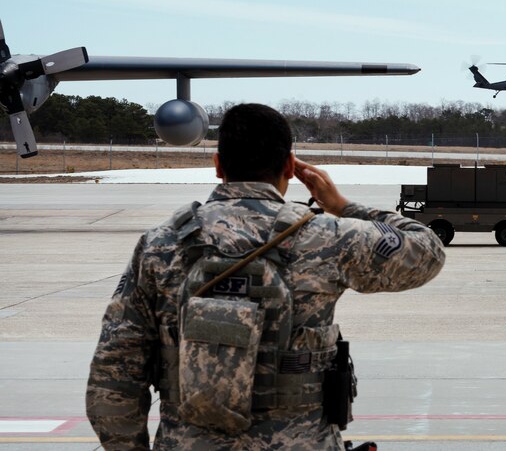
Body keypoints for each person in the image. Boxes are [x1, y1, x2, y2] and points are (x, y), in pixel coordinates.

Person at [86, 103, 445, 449]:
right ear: (290, 166)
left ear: (217, 165)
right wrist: (343, 206)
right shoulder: (328, 237)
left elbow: (114, 373)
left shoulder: (160, 244)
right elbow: (427, 251)